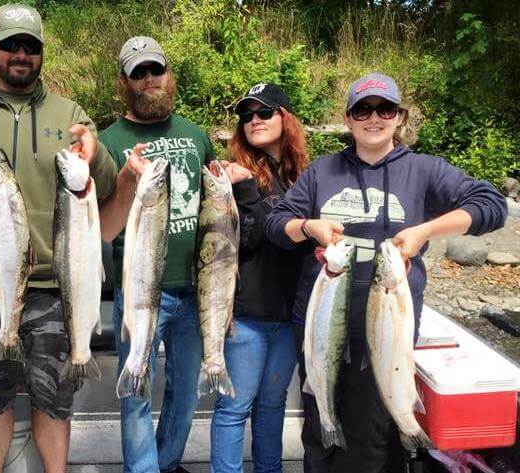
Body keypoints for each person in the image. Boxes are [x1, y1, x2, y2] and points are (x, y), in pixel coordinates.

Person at [265, 72, 508, 473]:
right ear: (347, 118)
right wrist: (309, 227)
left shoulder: (424, 170)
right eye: (362, 109)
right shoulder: (321, 172)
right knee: (319, 432)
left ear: (400, 116)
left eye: (385, 108)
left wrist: (427, 230)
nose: (373, 117)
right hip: (321, 326)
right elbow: (278, 223)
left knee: (373, 439)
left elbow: (491, 205)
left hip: (386, 330)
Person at [0, 4, 117, 473]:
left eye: (30, 46)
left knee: (53, 401)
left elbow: (100, 188)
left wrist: (96, 150)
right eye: (10, 45)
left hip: (51, 287)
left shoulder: (69, 113)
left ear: (42, 53)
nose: (20, 54)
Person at [98, 36, 214, 473]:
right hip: (142, 293)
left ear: (169, 76)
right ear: (124, 82)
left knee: (187, 393)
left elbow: (213, 210)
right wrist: (127, 180)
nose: (149, 80)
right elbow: (105, 227)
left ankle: (165, 464)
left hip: (195, 291)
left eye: (156, 71)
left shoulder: (196, 135)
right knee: (137, 394)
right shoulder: (109, 142)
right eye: (138, 73)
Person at [210, 83, 313, 473]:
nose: (253, 120)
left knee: (272, 408)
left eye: (264, 112)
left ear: (285, 117)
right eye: (246, 115)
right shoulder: (231, 176)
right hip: (247, 314)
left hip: (289, 317)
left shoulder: (307, 174)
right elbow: (248, 240)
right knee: (234, 407)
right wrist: (249, 189)